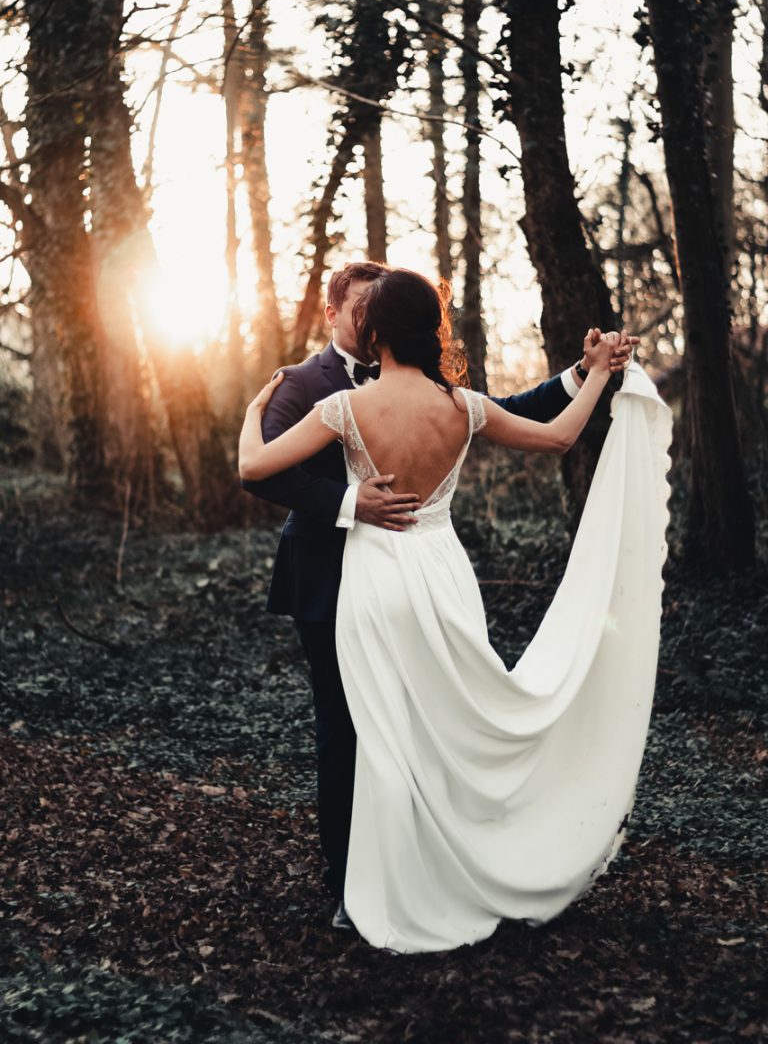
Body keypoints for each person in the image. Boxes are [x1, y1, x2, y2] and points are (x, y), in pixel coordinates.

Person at [239, 267, 668, 954]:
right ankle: (458, 863)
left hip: (375, 580)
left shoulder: (343, 411)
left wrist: (251, 413)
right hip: (441, 574)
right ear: (430, 331)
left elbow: (254, 468)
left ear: (377, 331)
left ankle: (382, 887)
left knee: (380, 732)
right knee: (444, 723)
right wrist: (594, 377)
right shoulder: (463, 406)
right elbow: (558, 436)